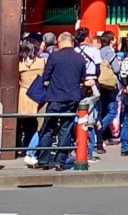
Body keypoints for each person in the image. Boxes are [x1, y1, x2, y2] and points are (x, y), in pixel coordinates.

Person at [26, 30, 91, 169]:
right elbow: (82, 78)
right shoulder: (79, 58)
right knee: (66, 129)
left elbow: (46, 77)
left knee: (48, 129)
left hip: (55, 97)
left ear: (60, 41)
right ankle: (60, 162)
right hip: (73, 98)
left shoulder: (54, 56)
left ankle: (43, 161)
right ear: (72, 42)